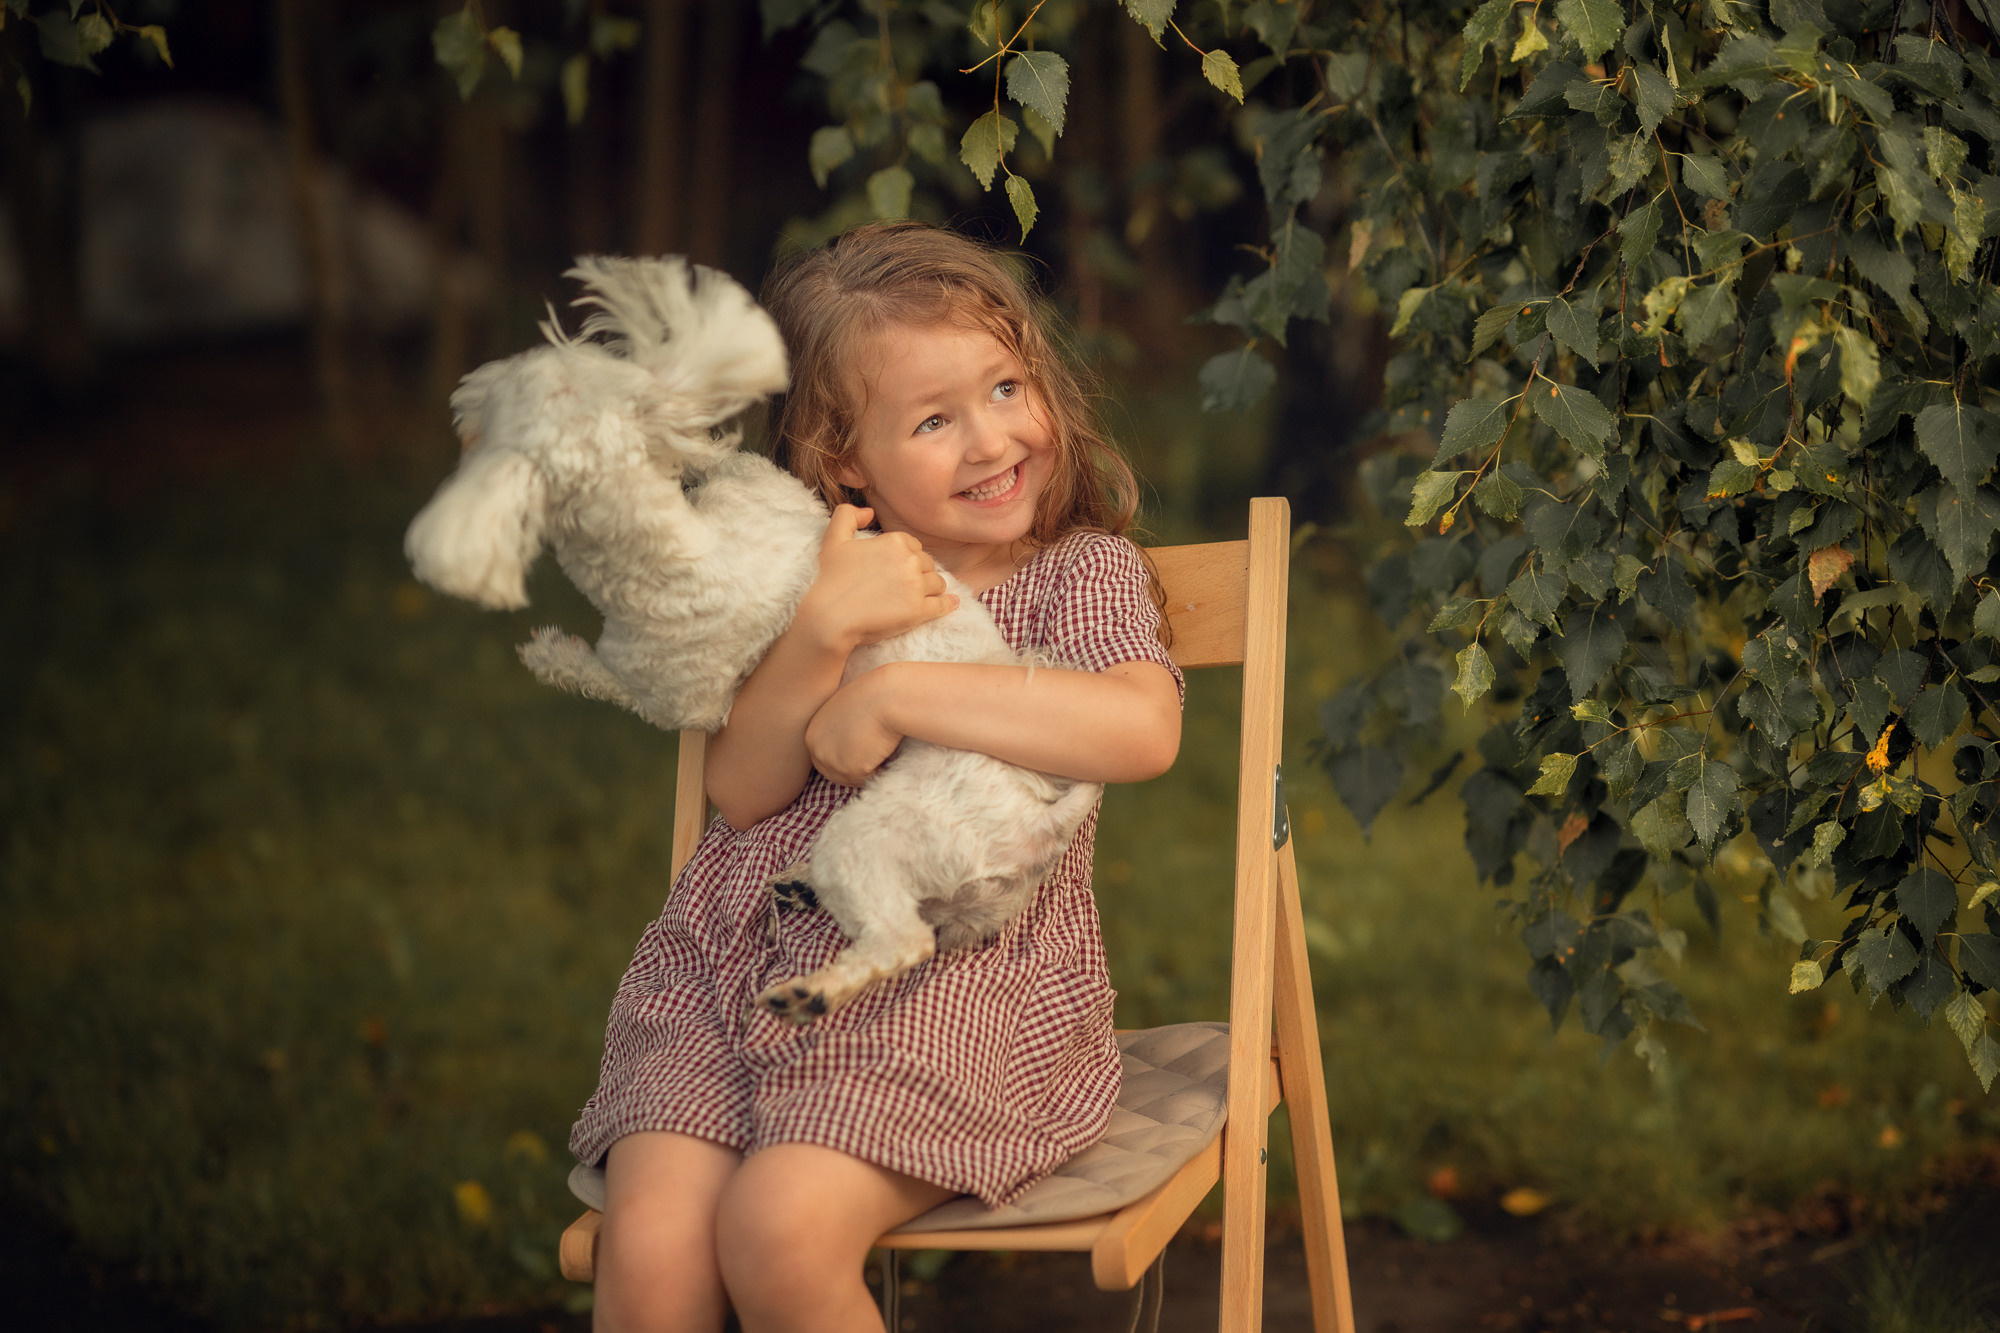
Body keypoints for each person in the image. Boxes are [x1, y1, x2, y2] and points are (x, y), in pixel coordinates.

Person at [572, 221, 1185, 1333]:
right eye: (935, 420)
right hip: (726, 971)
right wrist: (819, 634)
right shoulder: (809, 578)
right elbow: (745, 795)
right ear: (844, 457)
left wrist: (893, 695)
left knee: (776, 1228)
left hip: (948, 984)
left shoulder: (1072, 575)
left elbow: (1139, 730)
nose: (991, 440)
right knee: (653, 1258)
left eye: (1005, 389)